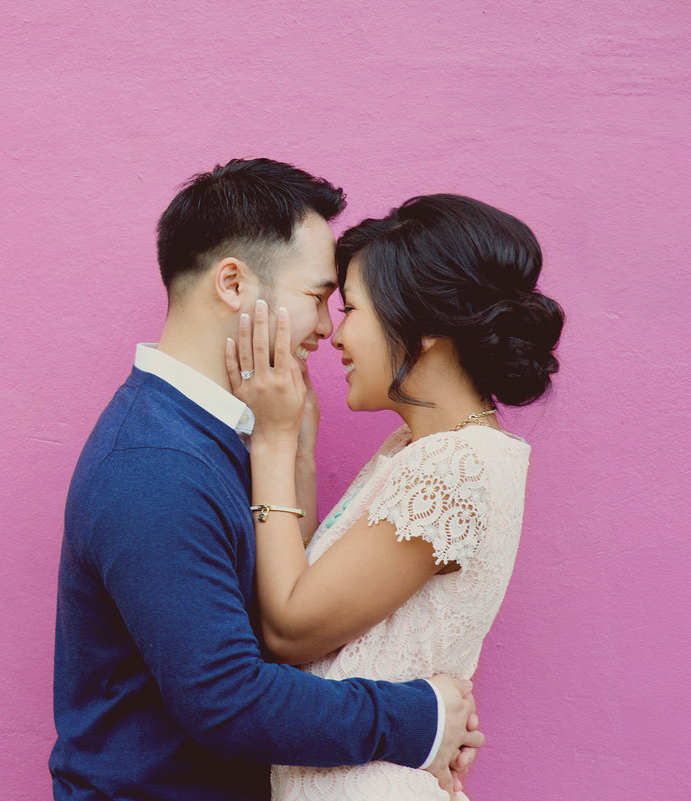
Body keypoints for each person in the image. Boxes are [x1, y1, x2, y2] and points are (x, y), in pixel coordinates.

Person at [50, 160, 482, 801]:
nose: (324, 327)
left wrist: (293, 446)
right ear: (233, 283)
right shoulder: (153, 463)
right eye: (315, 296)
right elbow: (227, 700)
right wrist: (421, 718)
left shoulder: (208, 435)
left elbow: (275, 610)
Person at [225, 194, 563, 800]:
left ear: (427, 326)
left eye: (352, 308)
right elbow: (304, 592)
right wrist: (301, 448)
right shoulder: (420, 450)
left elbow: (289, 631)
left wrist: (272, 443)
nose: (335, 334)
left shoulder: (455, 468)